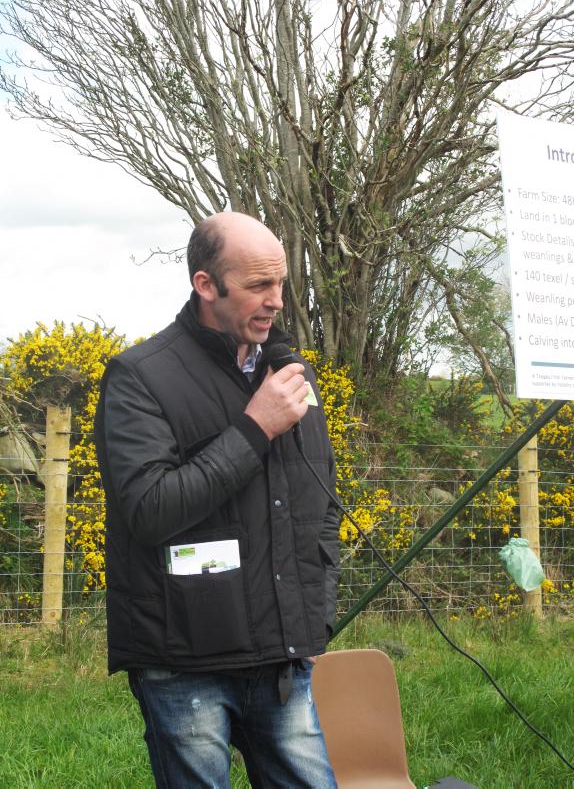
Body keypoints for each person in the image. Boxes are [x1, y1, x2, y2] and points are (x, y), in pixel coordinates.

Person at [94, 211, 340, 789]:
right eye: (258, 285)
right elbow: (150, 509)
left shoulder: (288, 376)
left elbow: (321, 504)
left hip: (283, 658)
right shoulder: (139, 377)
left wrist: (313, 617)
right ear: (206, 285)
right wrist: (255, 429)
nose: (276, 301)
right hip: (184, 663)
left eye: (280, 283)